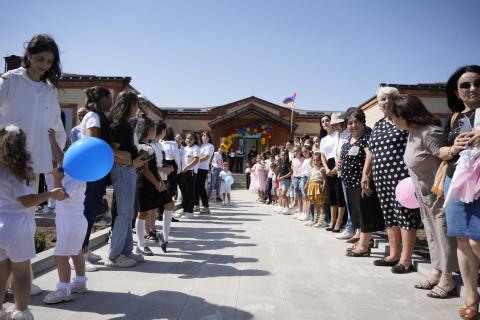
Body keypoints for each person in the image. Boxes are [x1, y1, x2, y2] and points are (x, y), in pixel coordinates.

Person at [0, 33, 67, 297]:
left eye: (49, 61)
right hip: (8, 159)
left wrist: (58, 157)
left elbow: (55, 126)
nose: (43, 65)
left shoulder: (50, 89)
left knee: (25, 217)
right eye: (39, 59)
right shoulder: (9, 81)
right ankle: (14, 278)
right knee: (9, 211)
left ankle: (21, 274)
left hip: (34, 162)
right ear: (28, 55)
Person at [387, 95, 458, 299]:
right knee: (431, 232)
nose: (391, 121)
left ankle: (448, 278)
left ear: (405, 115)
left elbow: (446, 157)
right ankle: (436, 270)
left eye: (393, 117)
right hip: (422, 195)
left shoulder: (430, 133)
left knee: (443, 234)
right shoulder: (412, 133)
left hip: (437, 195)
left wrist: (452, 150)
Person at [0, 125, 65, 320]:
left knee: (1, 274)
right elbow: (26, 201)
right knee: (21, 273)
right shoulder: (18, 171)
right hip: (17, 225)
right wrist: (51, 194)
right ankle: (21, 312)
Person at [361, 86, 422, 273]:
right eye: (382, 99)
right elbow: (370, 151)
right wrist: (366, 173)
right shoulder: (378, 124)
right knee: (389, 215)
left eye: (390, 98)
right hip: (381, 177)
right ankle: (394, 254)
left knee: (405, 215)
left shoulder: (404, 119)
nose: (386, 102)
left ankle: (406, 259)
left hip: (401, 177)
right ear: (378, 104)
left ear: (398, 99)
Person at [440, 65, 480, 318]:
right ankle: (471, 299)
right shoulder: (453, 119)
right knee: (463, 241)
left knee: (476, 240)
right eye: (465, 85)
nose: (472, 88)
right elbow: (441, 153)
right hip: (456, 183)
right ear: (457, 91)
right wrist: (453, 147)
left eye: (477, 83)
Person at [43, 130, 88, 304]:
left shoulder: (73, 178)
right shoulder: (75, 172)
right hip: (75, 221)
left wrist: (56, 178)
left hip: (69, 222)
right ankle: (80, 283)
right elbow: (61, 158)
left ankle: (64, 290)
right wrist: (52, 140)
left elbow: (60, 195)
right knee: (76, 252)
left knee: (60, 256)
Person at [106, 90, 145, 268]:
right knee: (124, 213)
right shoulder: (119, 125)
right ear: (129, 105)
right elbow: (111, 152)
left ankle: (126, 251)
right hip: (123, 169)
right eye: (136, 104)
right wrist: (132, 160)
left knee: (128, 213)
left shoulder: (124, 124)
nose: (138, 108)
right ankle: (114, 255)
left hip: (127, 169)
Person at [340, 109, 384, 257]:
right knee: (357, 213)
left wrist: (366, 176)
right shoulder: (348, 139)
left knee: (365, 213)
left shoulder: (367, 137)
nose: (353, 125)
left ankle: (364, 247)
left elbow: (370, 157)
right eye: (350, 123)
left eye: (356, 122)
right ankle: (364, 240)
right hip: (350, 183)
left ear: (363, 122)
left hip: (362, 182)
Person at [78, 86, 113, 272]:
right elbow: (93, 144)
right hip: (92, 171)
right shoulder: (93, 117)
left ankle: (84, 249)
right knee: (88, 211)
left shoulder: (97, 116)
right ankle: (78, 255)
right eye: (110, 98)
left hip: (96, 171)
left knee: (91, 211)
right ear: (102, 99)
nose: (112, 102)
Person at [135, 117, 175, 255]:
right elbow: (144, 170)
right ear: (149, 130)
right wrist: (157, 183)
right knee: (143, 213)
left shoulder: (149, 145)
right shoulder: (142, 147)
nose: (155, 130)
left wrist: (160, 182)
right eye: (153, 127)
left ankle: (165, 237)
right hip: (145, 184)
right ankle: (141, 245)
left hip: (155, 181)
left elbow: (153, 168)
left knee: (169, 205)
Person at [321, 113, 347, 233]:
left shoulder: (339, 134)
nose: (325, 123)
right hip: (328, 166)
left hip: (338, 164)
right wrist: (326, 168)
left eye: (327, 120)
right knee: (331, 195)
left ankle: (339, 222)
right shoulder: (323, 140)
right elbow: (322, 156)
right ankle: (332, 220)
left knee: (339, 195)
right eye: (323, 122)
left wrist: (335, 168)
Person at [178, 133, 200, 219]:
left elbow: (196, 160)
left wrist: (186, 168)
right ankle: (185, 209)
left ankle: (190, 211)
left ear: (194, 140)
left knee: (190, 192)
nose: (188, 140)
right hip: (183, 172)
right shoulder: (185, 148)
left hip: (190, 172)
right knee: (184, 192)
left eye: (191, 139)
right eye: (187, 138)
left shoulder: (196, 148)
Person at [306, 152, 327, 227]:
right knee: (315, 204)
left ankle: (321, 222)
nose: (315, 162)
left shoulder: (322, 169)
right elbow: (309, 178)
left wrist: (323, 188)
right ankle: (315, 220)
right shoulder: (312, 169)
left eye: (317, 160)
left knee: (321, 205)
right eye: (314, 160)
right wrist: (306, 185)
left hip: (319, 187)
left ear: (321, 160)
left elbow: (325, 179)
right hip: (312, 187)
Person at [195, 132, 214, 214]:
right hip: (197, 168)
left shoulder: (210, 146)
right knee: (196, 187)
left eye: (207, 136)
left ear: (209, 138)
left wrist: (195, 161)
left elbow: (206, 158)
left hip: (203, 169)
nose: (205, 137)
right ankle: (196, 205)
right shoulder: (201, 146)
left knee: (201, 187)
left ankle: (206, 207)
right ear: (201, 137)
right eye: (204, 135)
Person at [291, 146, 305, 220]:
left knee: (303, 195)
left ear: (300, 151)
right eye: (294, 151)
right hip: (295, 178)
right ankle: (300, 210)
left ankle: (304, 211)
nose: (295, 152)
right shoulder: (293, 160)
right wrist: (293, 181)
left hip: (302, 178)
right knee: (298, 195)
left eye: (297, 151)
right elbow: (292, 171)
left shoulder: (303, 159)